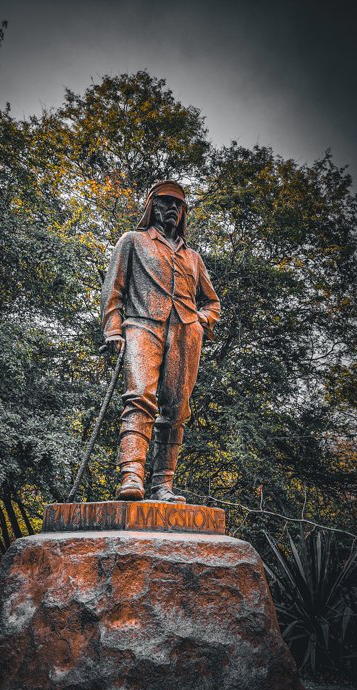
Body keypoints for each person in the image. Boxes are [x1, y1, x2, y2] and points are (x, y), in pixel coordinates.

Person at [101, 180, 220, 502]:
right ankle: (132, 477)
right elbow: (114, 291)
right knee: (139, 396)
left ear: (183, 213)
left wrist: (201, 321)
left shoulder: (193, 257)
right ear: (151, 206)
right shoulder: (133, 241)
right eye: (164, 202)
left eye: (177, 204)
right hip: (142, 325)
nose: (171, 209)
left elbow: (212, 302)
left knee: (177, 410)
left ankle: (163, 486)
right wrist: (113, 329)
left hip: (185, 333)